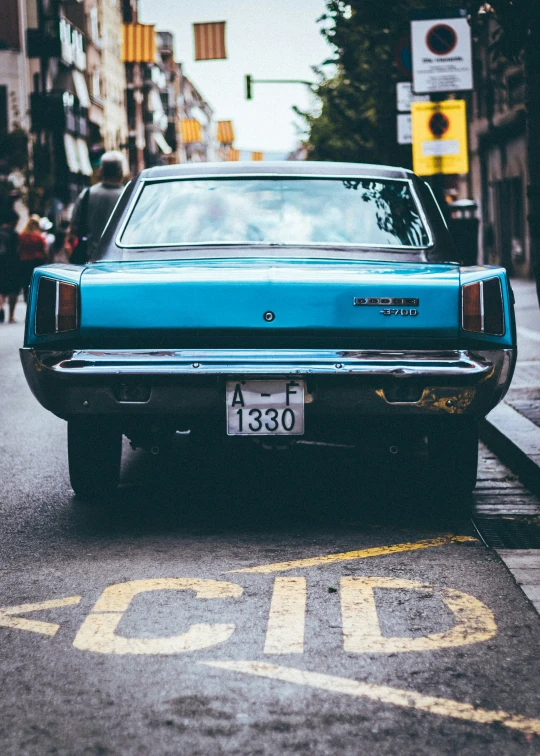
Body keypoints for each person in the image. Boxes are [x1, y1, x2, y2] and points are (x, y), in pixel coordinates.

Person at [70, 151, 126, 263]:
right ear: (121, 172)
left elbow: (74, 228)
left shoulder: (87, 195)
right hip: (121, 259)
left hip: (91, 258)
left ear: (101, 171)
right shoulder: (128, 195)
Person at [18, 215, 47, 302]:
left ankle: (27, 299)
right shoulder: (39, 237)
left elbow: (19, 249)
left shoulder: (21, 236)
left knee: (26, 282)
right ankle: (34, 300)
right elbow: (44, 251)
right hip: (36, 262)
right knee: (35, 282)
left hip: (24, 262)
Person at [0, 210, 20, 323]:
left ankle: (0, 307)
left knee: (1, 289)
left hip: (1, 263)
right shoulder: (14, 234)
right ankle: (11, 316)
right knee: (13, 290)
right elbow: (17, 250)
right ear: (12, 221)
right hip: (12, 264)